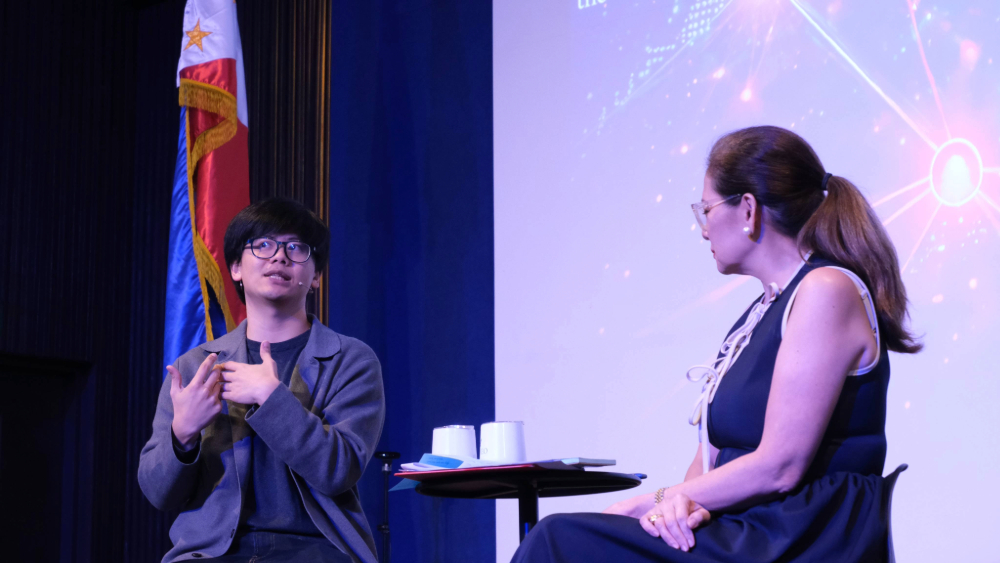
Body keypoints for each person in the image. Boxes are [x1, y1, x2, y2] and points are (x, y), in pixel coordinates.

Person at [511, 126, 921, 562]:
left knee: (559, 540)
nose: (704, 230)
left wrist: (645, 501)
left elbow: (781, 466)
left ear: (748, 209)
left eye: (705, 209)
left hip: (798, 536)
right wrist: (674, 507)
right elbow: (708, 462)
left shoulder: (826, 290)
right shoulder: (759, 313)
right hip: (746, 526)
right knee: (578, 539)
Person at [139, 198, 385, 563]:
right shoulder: (197, 366)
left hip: (317, 550)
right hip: (212, 554)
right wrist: (182, 435)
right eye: (263, 245)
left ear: (316, 276)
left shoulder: (350, 360)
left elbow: (338, 470)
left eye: (297, 248)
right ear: (236, 267)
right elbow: (159, 494)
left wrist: (271, 397)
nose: (280, 257)